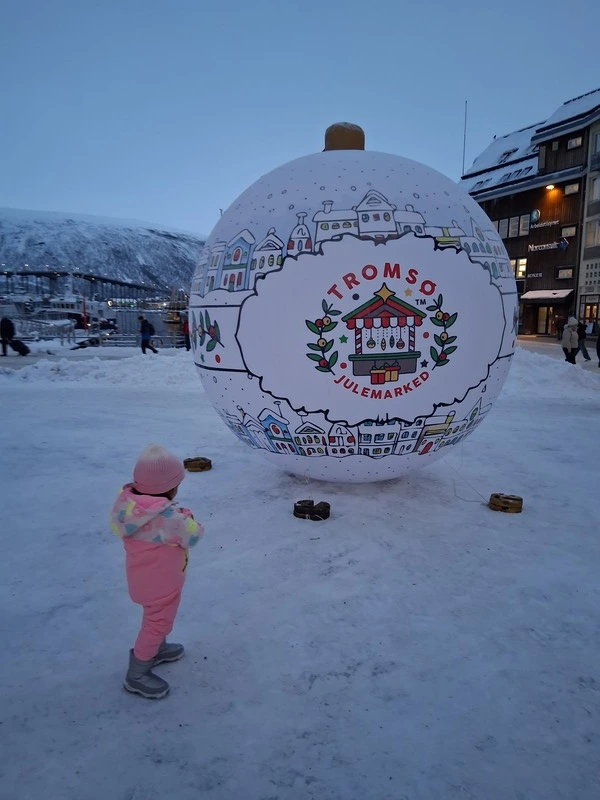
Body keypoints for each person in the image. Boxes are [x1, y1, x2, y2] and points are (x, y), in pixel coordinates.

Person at [110, 444, 204, 698]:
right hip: (163, 584)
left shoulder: (129, 507)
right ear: (170, 487)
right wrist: (187, 515)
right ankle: (137, 673)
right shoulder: (170, 518)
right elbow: (193, 535)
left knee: (155, 620)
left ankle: (157, 649)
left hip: (143, 579)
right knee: (157, 623)